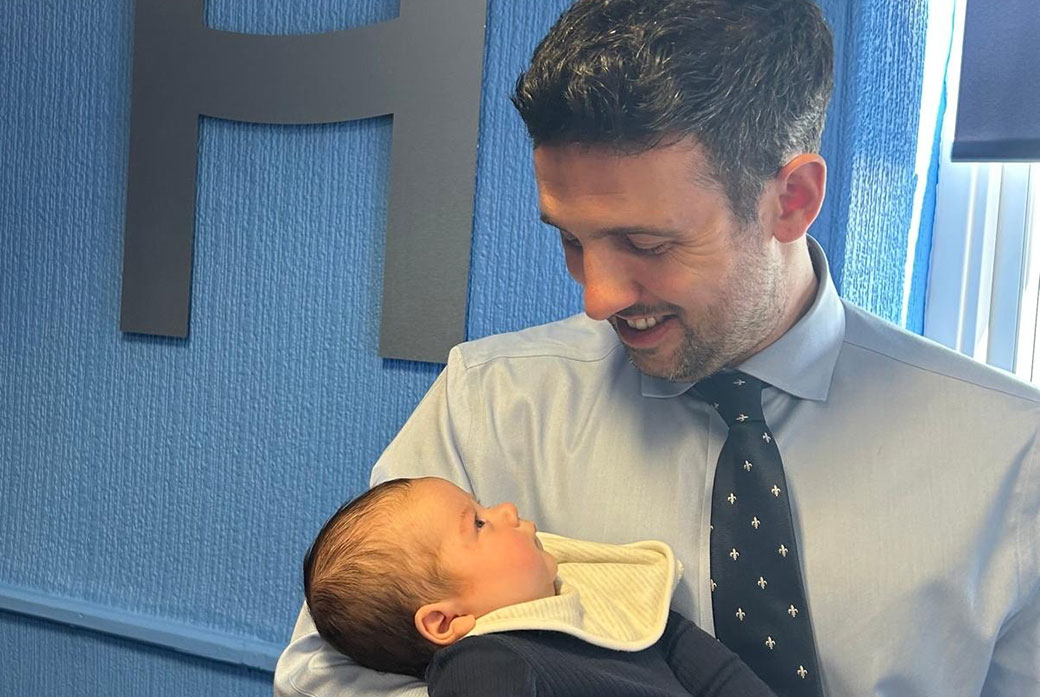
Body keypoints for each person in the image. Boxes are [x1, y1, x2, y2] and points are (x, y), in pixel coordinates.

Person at [275, 1, 1040, 695]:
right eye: (572, 242)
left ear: (793, 201)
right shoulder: (491, 404)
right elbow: (321, 677)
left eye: (646, 242)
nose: (597, 298)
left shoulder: (1015, 459)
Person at [304, 476, 776, 696]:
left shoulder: (611, 605)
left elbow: (719, 679)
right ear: (445, 620)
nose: (506, 510)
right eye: (479, 523)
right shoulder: (483, 658)